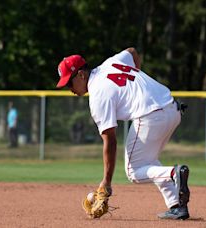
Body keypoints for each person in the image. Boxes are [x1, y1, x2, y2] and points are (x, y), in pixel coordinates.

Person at [56, 47, 190, 220]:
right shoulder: (111, 63)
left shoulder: (97, 95)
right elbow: (132, 52)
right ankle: (176, 205)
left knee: (133, 171)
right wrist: (138, 86)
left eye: (69, 83)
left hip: (151, 115)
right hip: (173, 108)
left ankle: (174, 173)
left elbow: (110, 141)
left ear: (81, 75)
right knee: (149, 163)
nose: (69, 89)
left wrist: (106, 181)